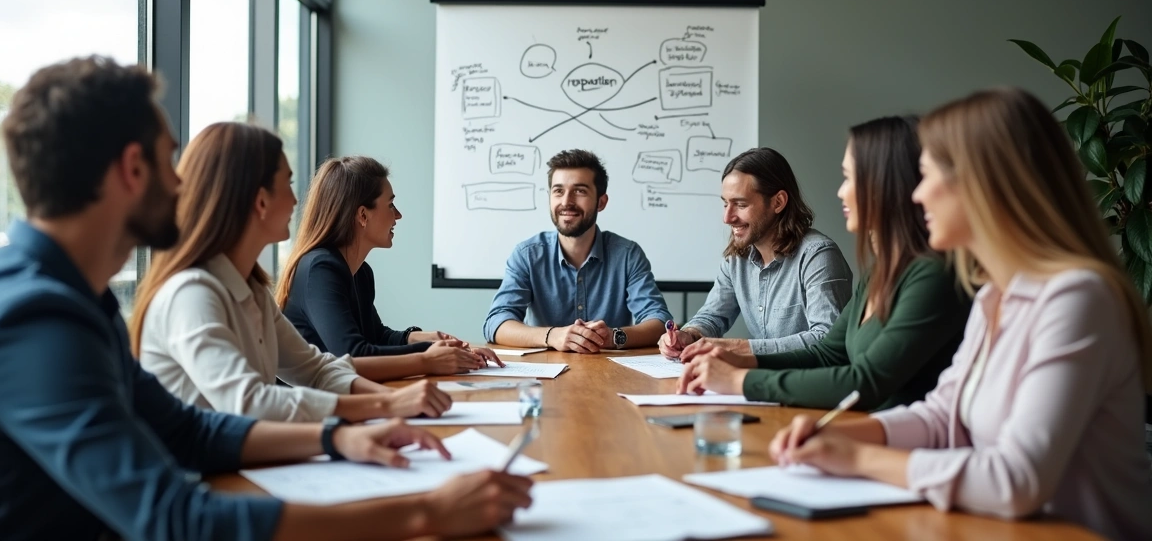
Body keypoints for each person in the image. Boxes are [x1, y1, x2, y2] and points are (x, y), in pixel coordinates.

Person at [0, 57, 531, 540]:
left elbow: (188, 431)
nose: (181, 183)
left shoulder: (71, 298)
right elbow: (173, 519)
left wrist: (340, 436)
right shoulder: (32, 318)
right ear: (131, 170)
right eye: (171, 161)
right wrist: (424, 513)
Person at [768, 88, 1152, 539]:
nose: (916, 193)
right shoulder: (994, 294)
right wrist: (847, 435)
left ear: (983, 185)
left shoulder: (1077, 299)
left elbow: (1016, 481)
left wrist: (856, 458)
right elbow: (941, 417)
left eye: (926, 175)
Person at [132, 123, 482, 422]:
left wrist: (391, 401)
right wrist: (386, 402)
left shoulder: (250, 289)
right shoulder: (193, 294)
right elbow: (250, 402)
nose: (297, 201)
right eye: (287, 184)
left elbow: (316, 369)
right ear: (260, 201)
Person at [677, 117, 970, 410]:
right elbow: (828, 353)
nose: (841, 191)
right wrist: (740, 360)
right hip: (864, 428)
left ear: (888, 186)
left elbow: (865, 382)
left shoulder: (933, 273)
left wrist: (738, 379)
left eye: (849, 178)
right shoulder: (881, 271)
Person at [277, 156, 501, 374]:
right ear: (363, 215)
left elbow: (376, 336)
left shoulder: (360, 272)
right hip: (304, 409)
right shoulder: (320, 269)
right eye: (391, 205)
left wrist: (430, 341)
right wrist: (429, 355)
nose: (398, 215)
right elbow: (352, 355)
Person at [659, 148, 853, 358]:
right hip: (763, 382)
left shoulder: (818, 256)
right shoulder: (736, 259)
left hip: (809, 386)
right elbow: (712, 316)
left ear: (778, 202)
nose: (727, 217)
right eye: (725, 203)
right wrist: (687, 335)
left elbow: (827, 339)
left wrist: (740, 348)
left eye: (740, 204)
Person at [483, 149, 672, 353]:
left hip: (610, 376)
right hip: (542, 377)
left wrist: (612, 336)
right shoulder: (527, 255)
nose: (566, 202)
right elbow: (497, 322)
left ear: (601, 202)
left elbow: (660, 322)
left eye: (579, 191)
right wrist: (552, 335)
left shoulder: (627, 255)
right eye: (558, 191)